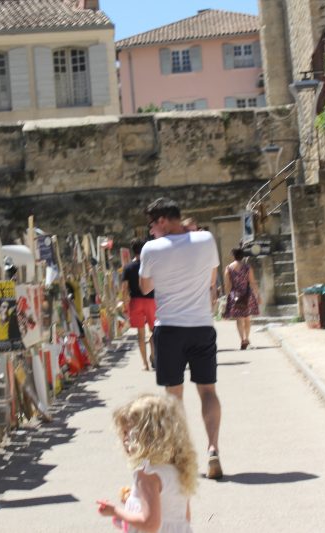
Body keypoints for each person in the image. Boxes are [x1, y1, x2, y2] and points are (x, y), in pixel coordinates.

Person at [139, 197, 223, 479]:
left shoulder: (151, 249)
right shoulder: (206, 239)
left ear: (162, 220)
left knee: (173, 397)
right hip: (201, 325)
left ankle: (181, 453)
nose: (152, 231)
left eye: (153, 224)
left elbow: (146, 287)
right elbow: (212, 280)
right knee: (208, 391)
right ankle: (213, 449)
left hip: (169, 328)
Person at [97, 394, 197, 533]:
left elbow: (150, 524)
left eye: (128, 433)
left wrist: (115, 511)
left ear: (146, 436)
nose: (124, 439)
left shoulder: (147, 474)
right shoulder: (178, 469)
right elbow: (183, 517)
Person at [121, 239, 156, 371]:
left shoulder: (128, 267)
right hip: (151, 300)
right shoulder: (151, 265)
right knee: (154, 331)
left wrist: (125, 305)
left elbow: (124, 288)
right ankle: (153, 355)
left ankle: (144, 364)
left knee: (140, 334)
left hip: (135, 301)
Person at [223, 248, 261, 349]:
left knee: (239, 319)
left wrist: (228, 297)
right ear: (242, 256)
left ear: (233, 256)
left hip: (235, 295)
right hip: (247, 294)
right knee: (247, 318)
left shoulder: (228, 268)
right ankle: (247, 338)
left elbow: (227, 285)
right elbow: (252, 282)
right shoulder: (247, 267)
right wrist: (258, 295)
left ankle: (242, 340)